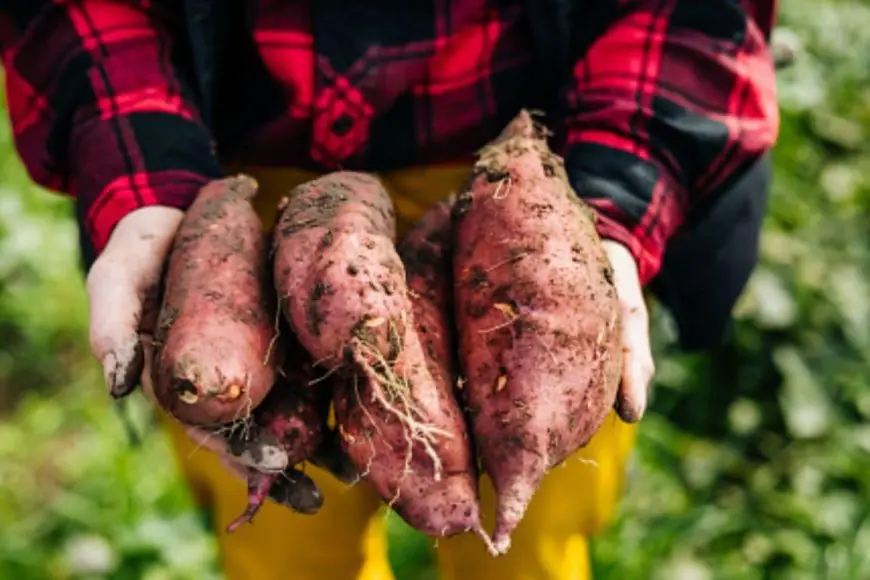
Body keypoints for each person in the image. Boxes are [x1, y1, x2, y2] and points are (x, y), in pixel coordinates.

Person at [0, 1, 779, 578]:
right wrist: (143, 180)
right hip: (231, 189)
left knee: (535, 506)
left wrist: (615, 203)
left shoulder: (546, 216)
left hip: (533, 187)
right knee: (275, 505)